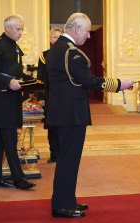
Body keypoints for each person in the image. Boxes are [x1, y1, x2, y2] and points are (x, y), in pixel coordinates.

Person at [46, 13, 133, 218]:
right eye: (86, 32)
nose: (88, 37)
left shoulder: (56, 49)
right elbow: (91, 81)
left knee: (67, 160)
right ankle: (61, 206)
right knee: (68, 160)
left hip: (63, 113)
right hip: (70, 115)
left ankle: (67, 200)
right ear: (76, 29)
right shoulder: (70, 52)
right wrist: (121, 84)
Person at [0, 14, 36, 190]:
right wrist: (8, 83)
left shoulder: (12, 46)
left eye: (22, 28)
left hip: (8, 100)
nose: (21, 32)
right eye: (18, 29)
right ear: (7, 28)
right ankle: (19, 179)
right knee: (10, 141)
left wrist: (35, 82)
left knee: (0, 141)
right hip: (0, 102)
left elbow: (16, 74)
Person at [36, 27, 63, 163]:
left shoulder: (67, 53)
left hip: (65, 97)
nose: (57, 39)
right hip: (50, 97)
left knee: (64, 126)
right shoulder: (44, 55)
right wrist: (40, 97)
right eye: (54, 37)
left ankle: (64, 154)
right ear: (50, 40)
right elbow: (40, 78)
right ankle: (54, 154)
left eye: (59, 37)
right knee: (52, 127)